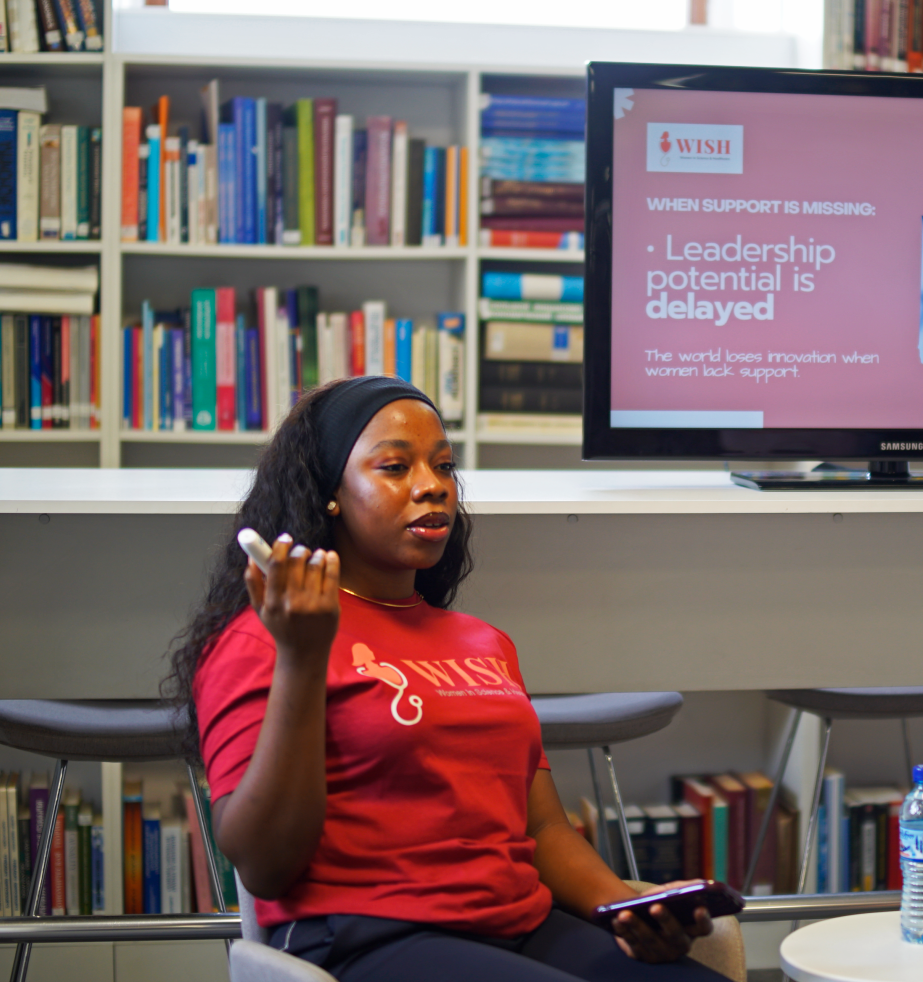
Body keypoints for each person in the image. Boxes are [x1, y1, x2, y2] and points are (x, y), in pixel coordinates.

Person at [165, 376, 721, 982]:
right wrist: (302, 656)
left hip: (520, 923)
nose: (433, 485)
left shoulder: (485, 642)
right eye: (395, 467)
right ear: (330, 493)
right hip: (364, 936)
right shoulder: (264, 637)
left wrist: (626, 908)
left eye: (444, 466)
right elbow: (265, 866)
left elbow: (542, 828)